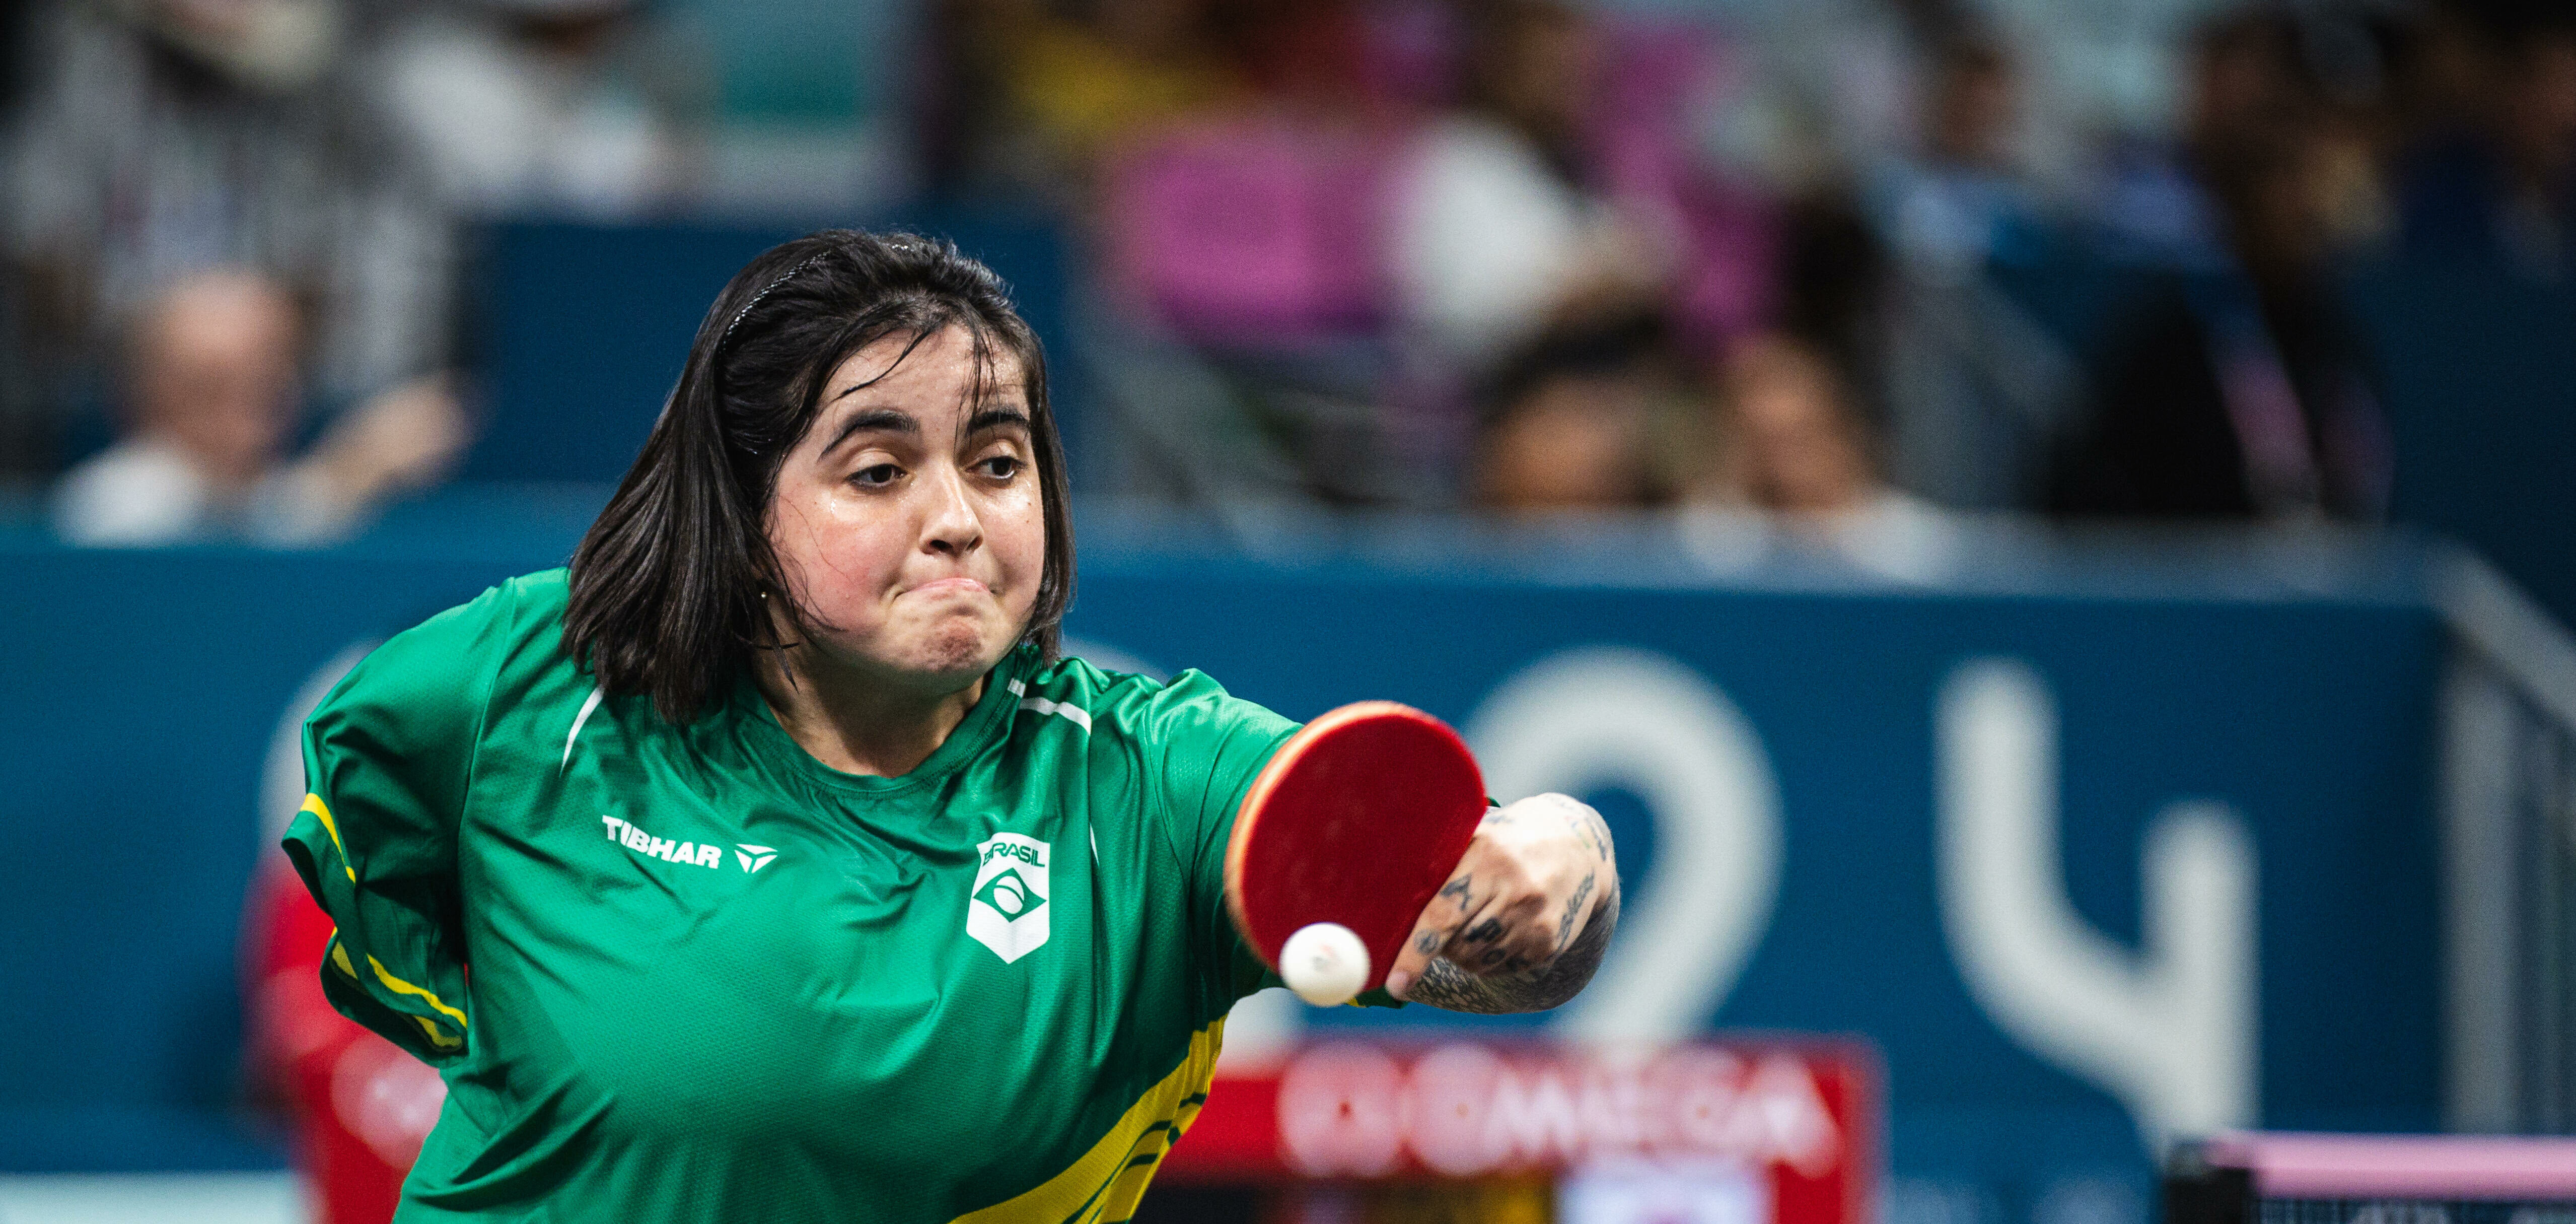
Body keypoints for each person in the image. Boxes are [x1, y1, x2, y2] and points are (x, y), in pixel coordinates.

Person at [280, 230, 1620, 1220]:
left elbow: (1449, 876)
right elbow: (385, 863)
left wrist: (1551, 854)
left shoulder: (1137, 782)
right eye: (876, 469)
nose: (956, 516)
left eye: (996, 461)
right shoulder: (535, 680)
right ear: (744, 517)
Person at [51, 269, 467, 546]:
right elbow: (222, 560)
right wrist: (351, 466)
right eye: (212, 386)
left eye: (266, 377)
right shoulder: (117, 499)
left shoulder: (269, 496)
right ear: (147, 395)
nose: (247, 412)